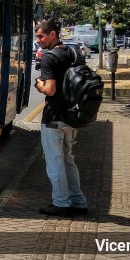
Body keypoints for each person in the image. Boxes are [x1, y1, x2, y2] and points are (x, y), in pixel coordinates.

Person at [34, 19, 88, 217]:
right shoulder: (74, 52)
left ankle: (61, 203)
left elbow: (50, 89)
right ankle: (78, 200)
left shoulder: (49, 58)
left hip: (54, 117)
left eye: (41, 36)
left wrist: (38, 84)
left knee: (54, 161)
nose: (38, 40)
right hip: (73, 115)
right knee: (68, 159)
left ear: (53, 35)